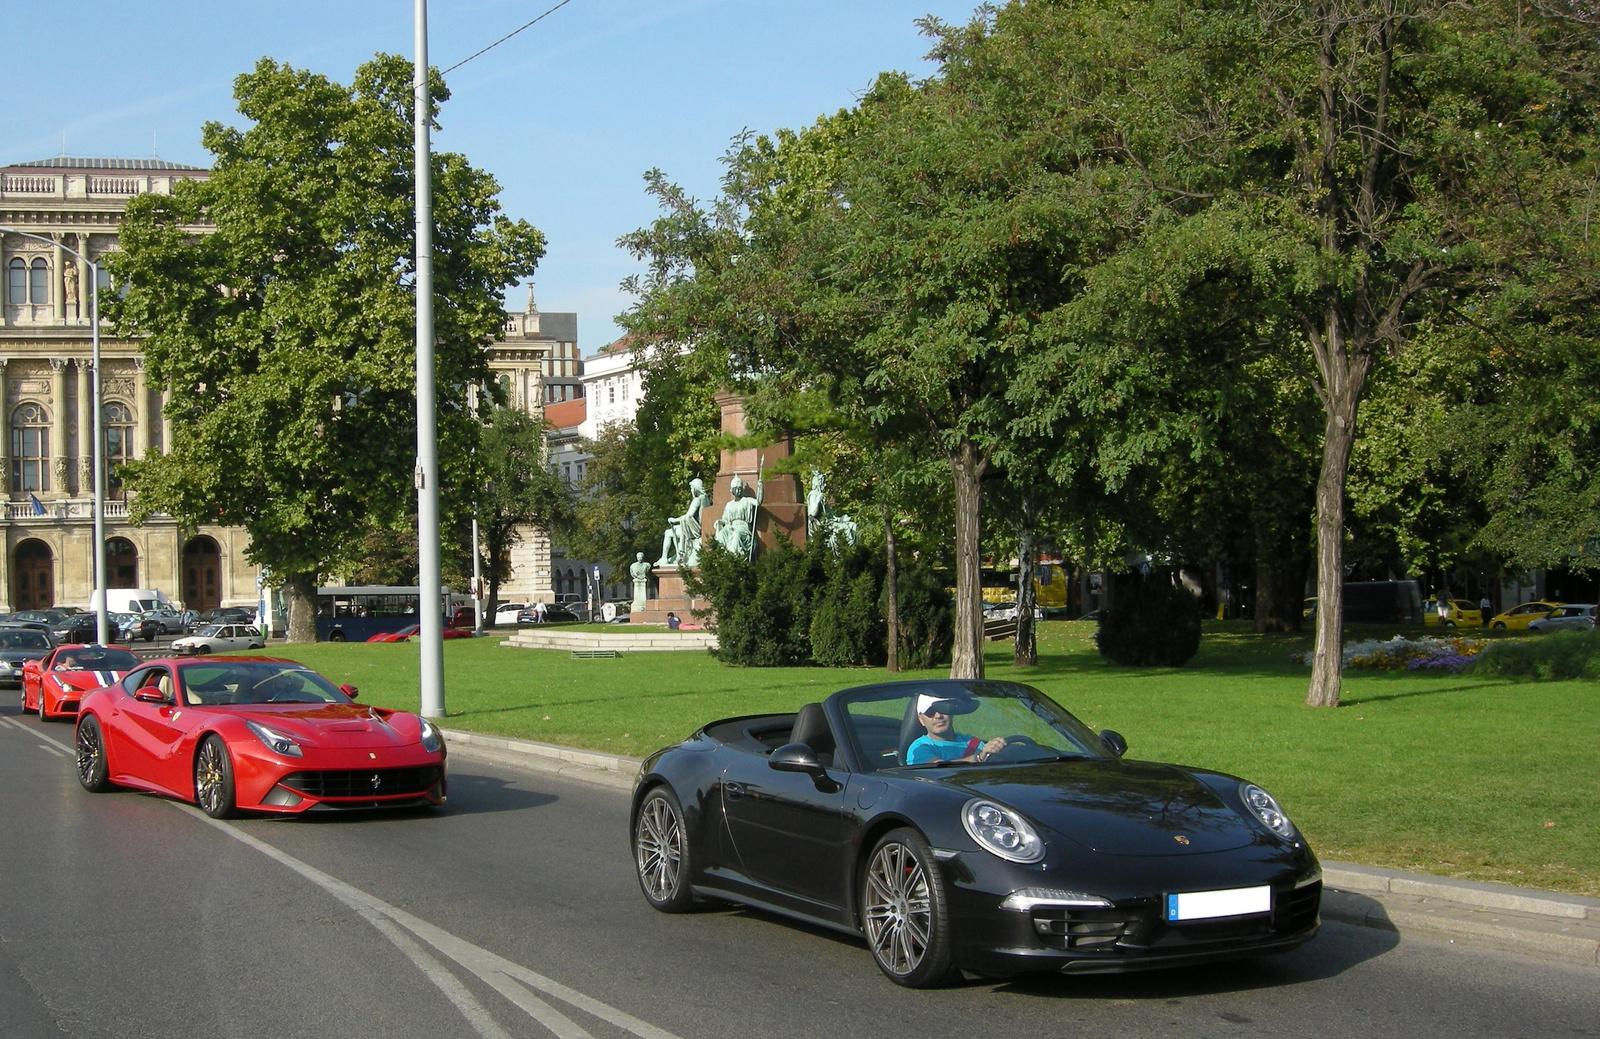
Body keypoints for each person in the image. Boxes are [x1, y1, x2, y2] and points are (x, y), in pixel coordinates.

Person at [906, 693, 1007, 765]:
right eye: (930, 712)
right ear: (921, 719)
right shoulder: (919, 748)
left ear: (952, 713)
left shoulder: (974, 743)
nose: (938, 716)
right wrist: (978, 758)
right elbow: (938, 769)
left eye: (943, 709)